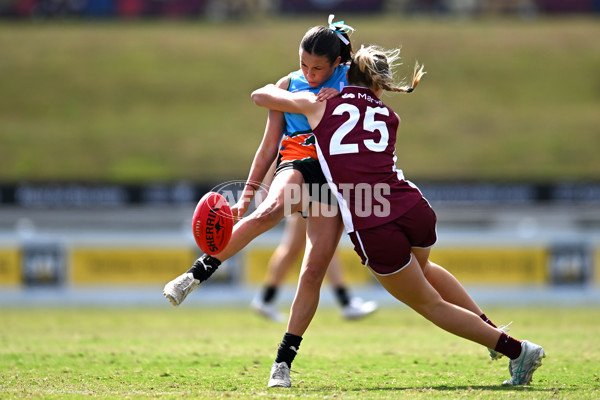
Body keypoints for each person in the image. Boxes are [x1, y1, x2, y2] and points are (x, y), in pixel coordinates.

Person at [251, 45, 545, 388]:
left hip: (370, 217)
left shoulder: (322, 104)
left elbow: (262, 97)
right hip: (413, 206)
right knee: (424, 271)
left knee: (430, 305)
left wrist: (294, 82)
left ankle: (517, 351)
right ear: (379, 85)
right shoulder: (391, 116)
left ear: (345, 74)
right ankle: (491, 329)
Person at [163, 17, 355, 337]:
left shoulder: (351, 80)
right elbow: (268, 148)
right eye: (302, 64)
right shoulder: (286, 85)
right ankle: (195, 274)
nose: (308, 74)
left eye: (317, 69)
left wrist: (339, 93)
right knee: (266, 213)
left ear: (336, 62)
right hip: (296, 163)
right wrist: (245, 199)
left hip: (335, 177)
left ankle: (283, 361)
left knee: (312, 272)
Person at [251, 212, 378, 322]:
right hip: (312, 192)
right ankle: (346, 302)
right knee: (305, 247)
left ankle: (266, 299)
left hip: (313, 192)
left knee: (303, 247)